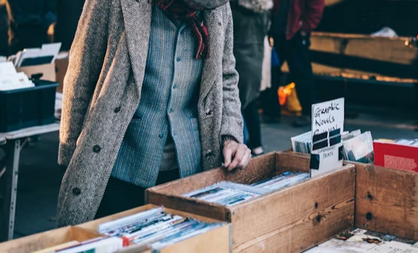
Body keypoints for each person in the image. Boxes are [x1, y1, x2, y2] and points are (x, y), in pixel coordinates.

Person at [56, 0, 250, 227]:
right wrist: (69, 160)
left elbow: (226, 76)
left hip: (188, 173)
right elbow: (81, 74)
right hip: (116, 169)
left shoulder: (218, 8)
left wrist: (231, 136)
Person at [272, 0, 325, 127]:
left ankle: (308, 114)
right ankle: (272, 113)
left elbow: (317, 6)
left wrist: (305, 27)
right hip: (280, 31)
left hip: (294, 32)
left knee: (302, 74)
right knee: (272, 72)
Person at [231, 0, 272, 156]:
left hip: (237, 57)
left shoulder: (234, 7)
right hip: (257, 56)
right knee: (251, 101)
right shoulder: (265, 10)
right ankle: (256, 145)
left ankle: (238, 145)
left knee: (235, 103)